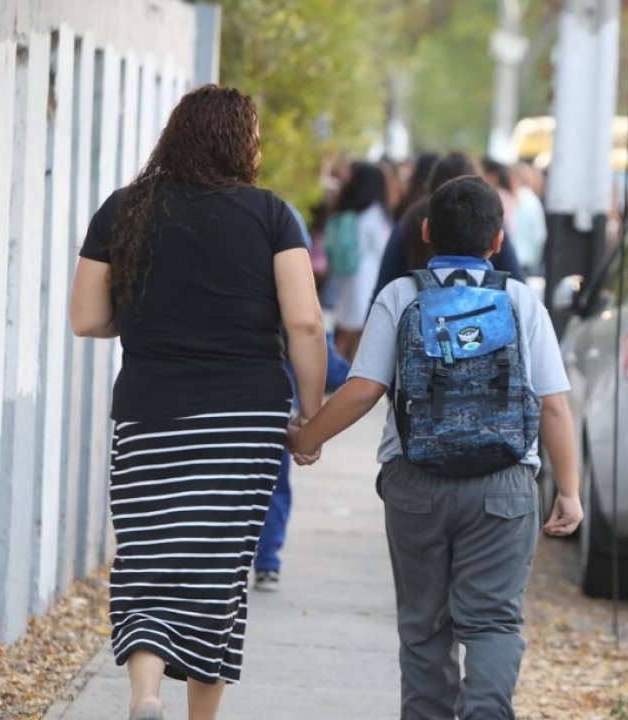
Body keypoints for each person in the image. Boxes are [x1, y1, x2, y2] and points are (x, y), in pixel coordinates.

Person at [68, 84, 327, 720]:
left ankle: (145, 693)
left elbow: (85, 318)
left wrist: (147, 320)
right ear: (243, 141)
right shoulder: (271, 215)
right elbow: (307, 326)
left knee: (149, 555)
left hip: (150, 412)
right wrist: (312, 417)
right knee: (216, 569)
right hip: (243, 419)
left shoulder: (122, 210)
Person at [287, 176, 585, 719]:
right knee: (493, 622)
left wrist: (305, 438)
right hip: (503, 486)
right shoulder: (520, 302)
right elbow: (554, 405)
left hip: (416, 486)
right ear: (497, 241)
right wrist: (569, 491)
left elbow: (363, 390)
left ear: (425, 232)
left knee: (424, 628)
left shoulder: (400, 297)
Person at [251, 201, 352, 592]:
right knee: (274, 488)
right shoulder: (295, 299)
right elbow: (322, 349)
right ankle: (268, 560)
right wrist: (313, 425)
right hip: (277, 411)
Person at [371, 152, 527, 303]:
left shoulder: (411, 219)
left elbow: (383, 285)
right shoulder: (490, 220)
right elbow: (516, 278)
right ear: (497, 241)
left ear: (426, 231)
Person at [328, 161, 392, 361]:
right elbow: (384, 250)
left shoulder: (351, 211)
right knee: (361, 333)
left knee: (346, 331)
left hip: (349, 277)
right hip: (368, 279)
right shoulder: (375, 213)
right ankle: (346, 375)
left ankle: (335, 370)